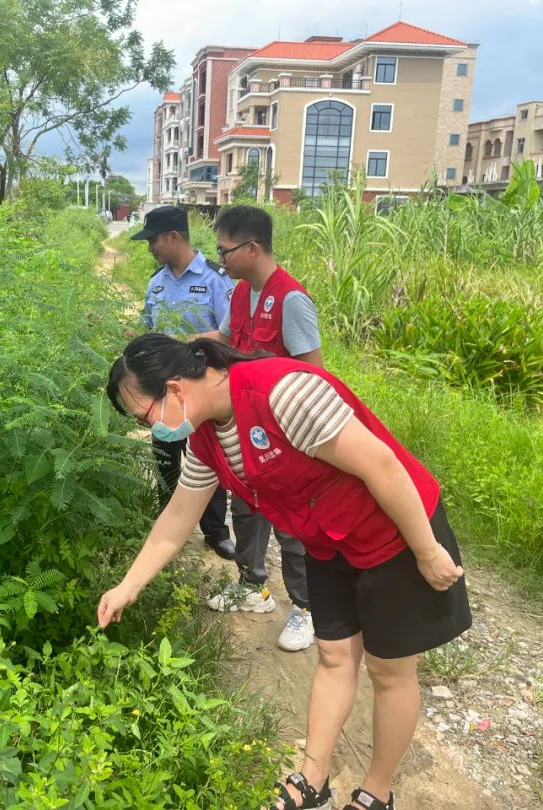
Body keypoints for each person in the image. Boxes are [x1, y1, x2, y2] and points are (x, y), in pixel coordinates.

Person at [98, 333, 472, 810]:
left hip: (395, 530)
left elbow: (381, 464)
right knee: (334, 656)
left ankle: (378, 792)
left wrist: (427, 550)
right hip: (328, 539)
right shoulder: (208, 435)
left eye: (144, 416)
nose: (150, 428)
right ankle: (313, 779)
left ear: (174, 389)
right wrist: (128, 585)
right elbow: (178, 516)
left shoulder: (283, 393)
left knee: (389, 670)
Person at [195, 205, 321, 653]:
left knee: (292, 523)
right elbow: (228, 340)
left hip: (286, 434)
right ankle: (253, 587)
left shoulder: (291, 300)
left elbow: (314, 375)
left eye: (224, 250)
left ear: (251, 248)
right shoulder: (239, 293)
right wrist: (186, 344)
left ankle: (308, 608)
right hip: (247, 428)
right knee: (247, 509)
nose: (220, 260)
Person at [132, 205, 236, 559]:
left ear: (174, 236)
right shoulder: (156, 283)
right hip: (163, 389)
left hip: (201, 389)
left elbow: (230, 334)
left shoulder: (215, 279)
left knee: (205, 457)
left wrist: (184, 342)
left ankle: (215, 531)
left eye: (154, 240)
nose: (150, 248)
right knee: (165, 456)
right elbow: (147, 328)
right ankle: (168, 528)